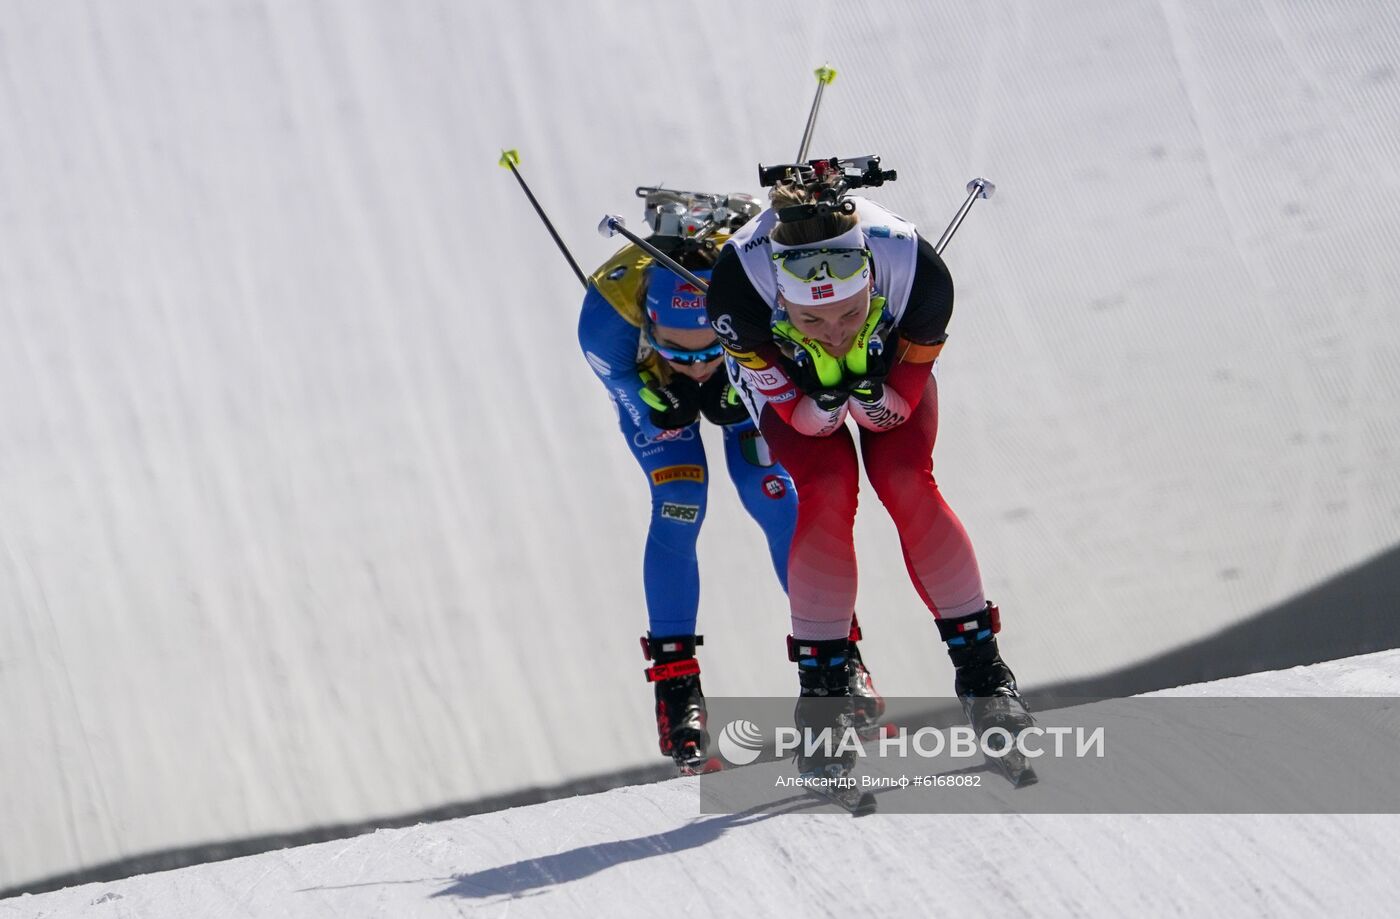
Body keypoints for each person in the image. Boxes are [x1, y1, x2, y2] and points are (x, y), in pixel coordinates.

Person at [703, 162, 1032, 777]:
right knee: (826, 488)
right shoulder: (737, 290)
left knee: (906, 481)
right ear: (783, 302)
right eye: (813, 319)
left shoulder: (920, 272)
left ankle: (986, 676)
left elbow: (895, 415)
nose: (831, 332)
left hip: (883, 371)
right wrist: (827, 403)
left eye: (850, 313)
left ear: (873, 285)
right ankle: (822, 702)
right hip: (787, 380)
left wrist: (869, 399)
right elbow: (800, 422)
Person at [577, 188, 884, 772]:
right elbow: (628, 389)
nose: (693, 366)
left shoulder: (754, 291)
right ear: (651, 326)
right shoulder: (606, 321)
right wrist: (655, 395)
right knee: (680, 500)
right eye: (678, 350)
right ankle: (677, 691)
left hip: (746, 357)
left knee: (772, 496)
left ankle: (842, 660)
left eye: (703, 352)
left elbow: (793, 350)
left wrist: (733, 374)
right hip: (652, 374)